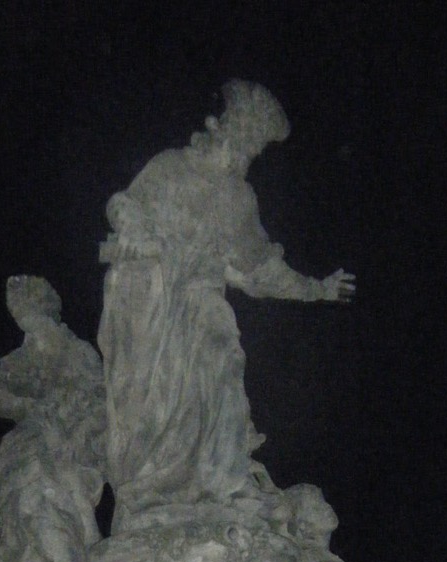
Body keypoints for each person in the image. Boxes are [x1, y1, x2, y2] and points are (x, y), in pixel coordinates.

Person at [98, 80, 355, 521]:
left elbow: (257, 272)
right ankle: (154, 482)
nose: (248, 155)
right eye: (246, 143)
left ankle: (224, 479)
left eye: (254, 149)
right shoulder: (172, 167)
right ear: (223, 131)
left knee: (223, 359)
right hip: (154, 303)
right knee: (157, 402)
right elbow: (123, 202)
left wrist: (316, 288)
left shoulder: (240, 197)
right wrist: (134, 228)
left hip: (202, 298)